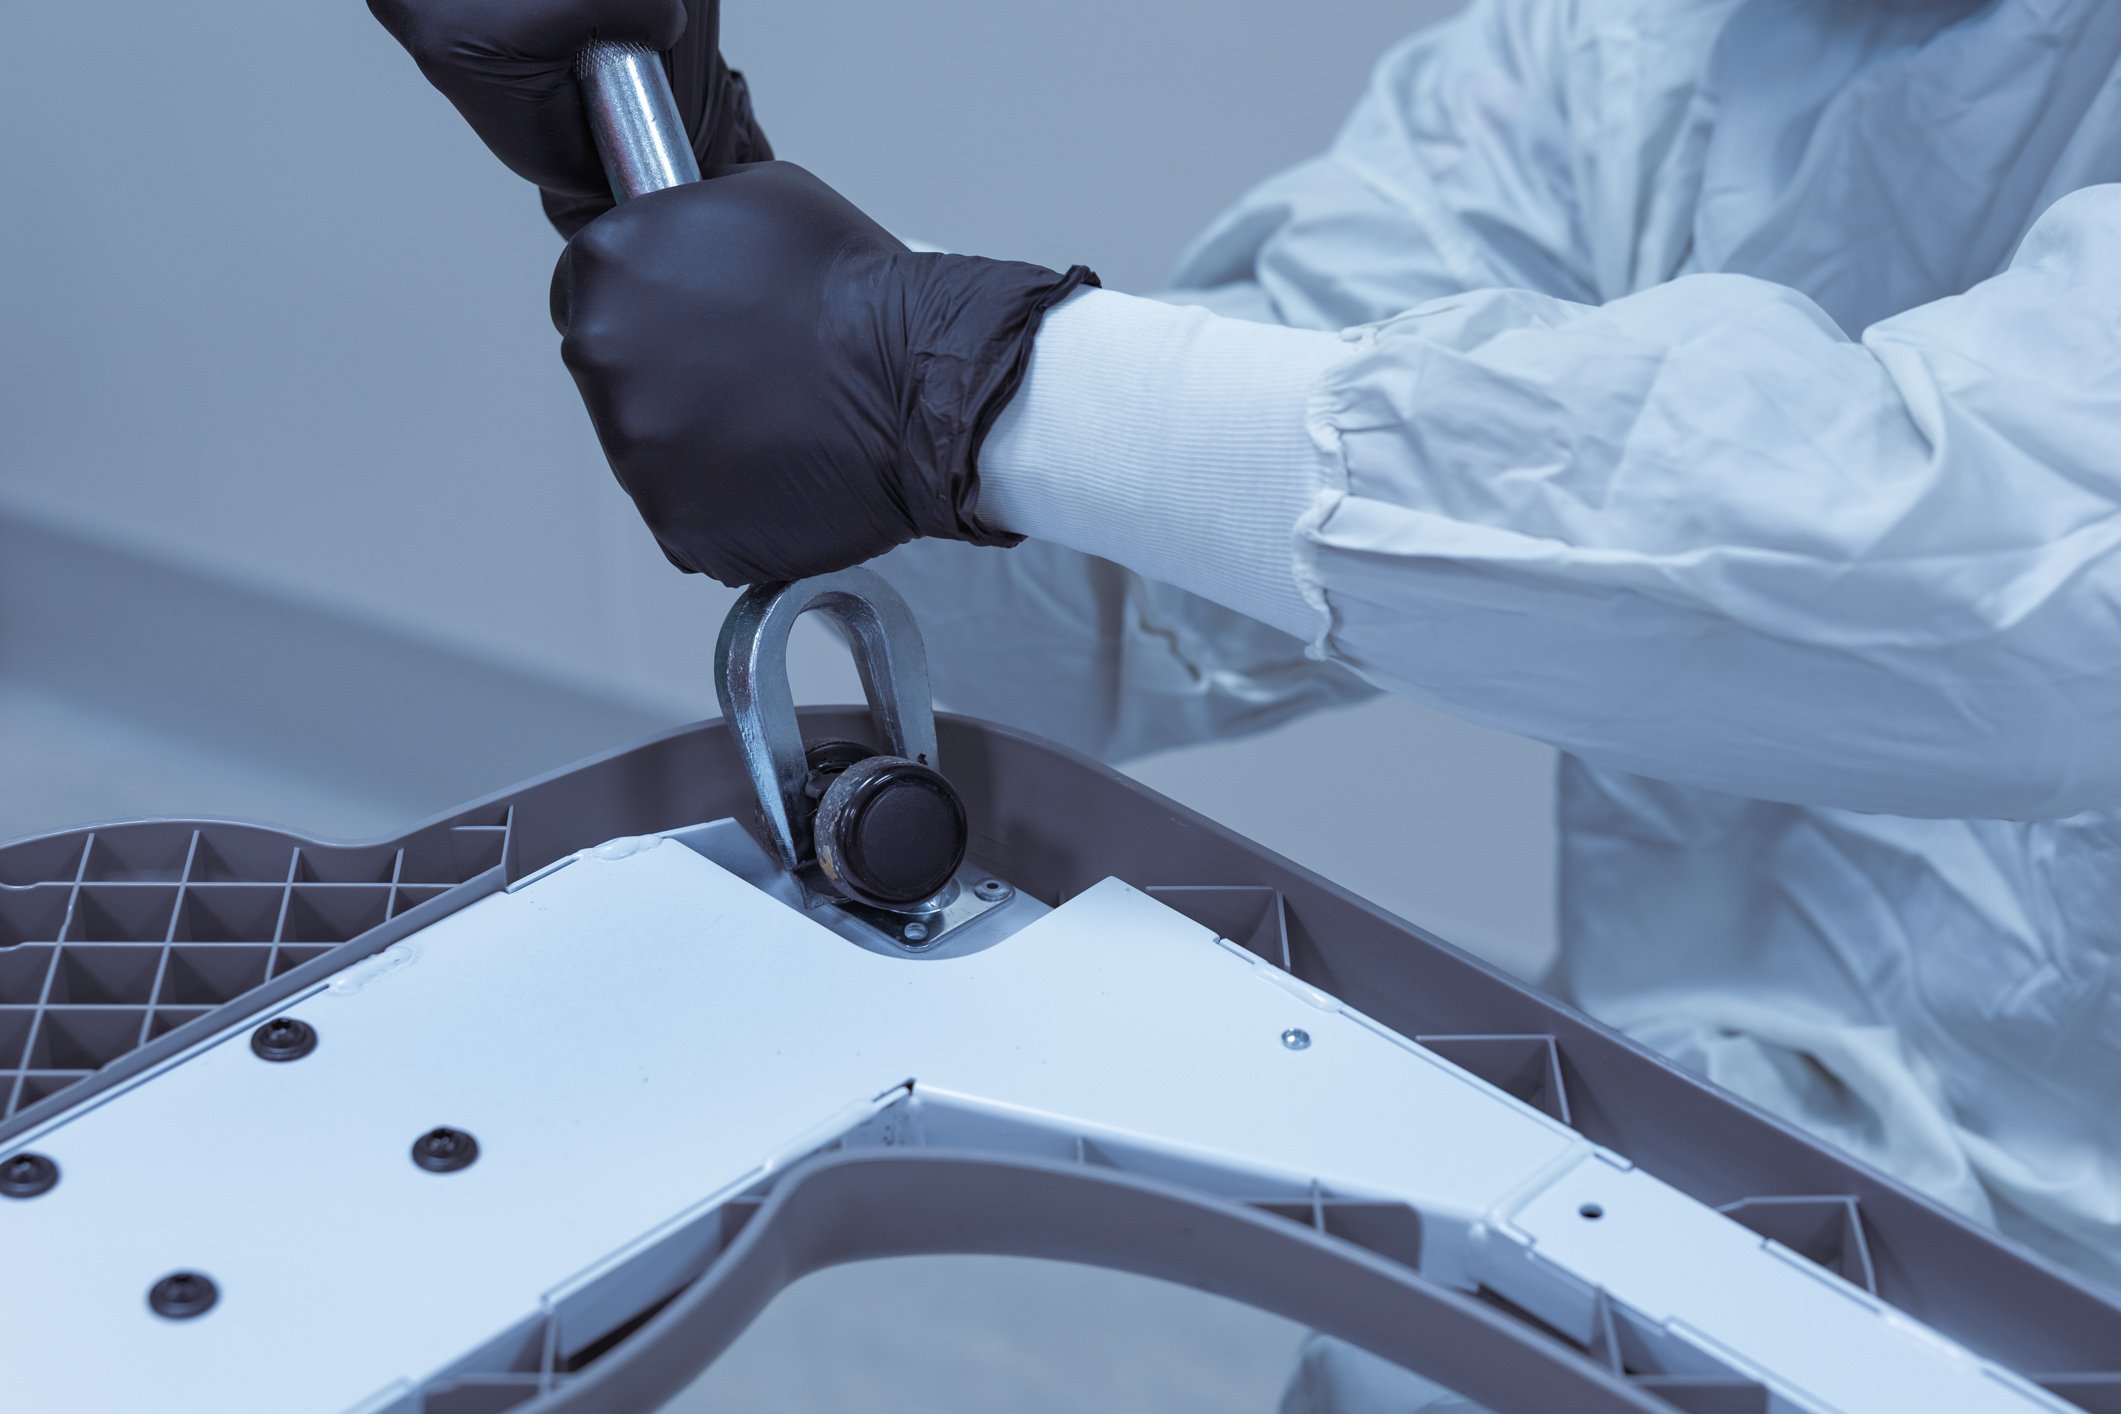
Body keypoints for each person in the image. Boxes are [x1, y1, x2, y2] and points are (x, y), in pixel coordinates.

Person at [372, 0, 2121, 1403]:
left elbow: (1985, 576)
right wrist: (728, 243)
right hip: (1722, 1140)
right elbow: (1175, 545)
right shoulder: (1615, 58)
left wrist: (973, 388)